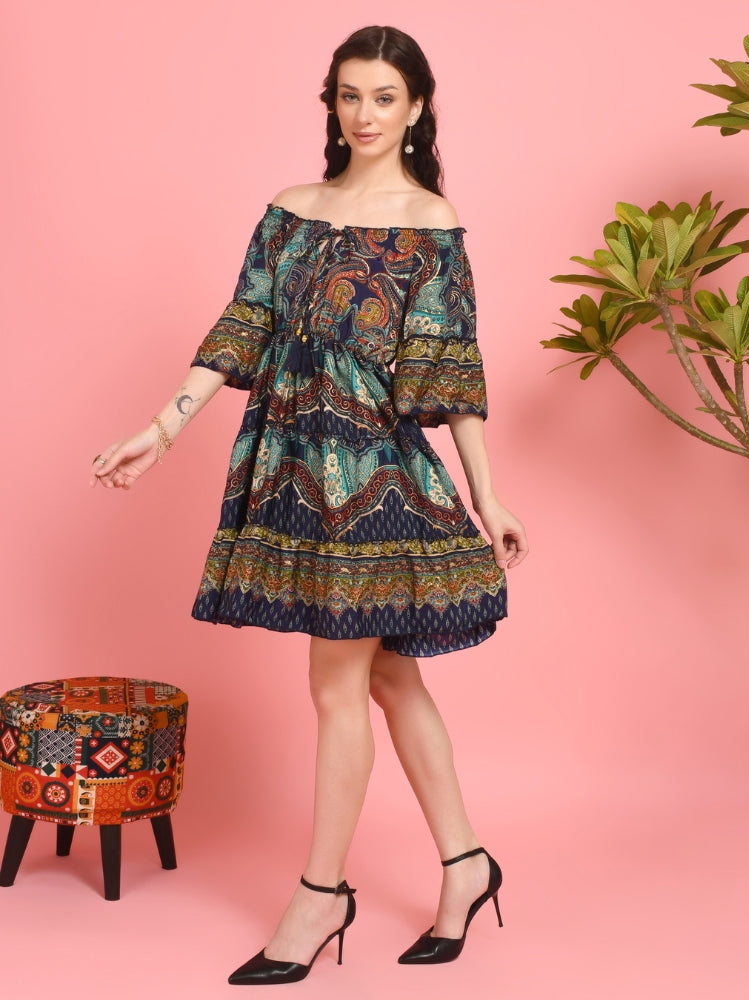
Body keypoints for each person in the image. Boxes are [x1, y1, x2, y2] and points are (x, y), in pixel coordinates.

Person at [90, 24, 528, 986]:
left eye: (384, 97)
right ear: (330, 104)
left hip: (376, 486)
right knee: (389, 679)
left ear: (416, 108)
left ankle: (321, 895)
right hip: (294, 472)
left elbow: (450, 371)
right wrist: (162, 429)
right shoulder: (290, 211)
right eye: (348, 95)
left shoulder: (430, 225)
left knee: (339, 686)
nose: (364, 114)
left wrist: (487, 495)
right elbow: (241, 325)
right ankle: (467, 866)